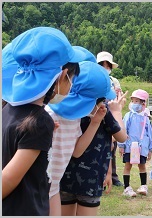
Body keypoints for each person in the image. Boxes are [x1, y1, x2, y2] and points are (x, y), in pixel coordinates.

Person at [2, 26, 85, 216]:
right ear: (62, 75)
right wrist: (42, 129)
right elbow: (8, 179)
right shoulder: (39, 121)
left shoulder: (8, 109)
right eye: (71, 79)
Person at [46, 60, 116, 216]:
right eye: (98, 100)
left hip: (54, 188)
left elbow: (76, 151)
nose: (99, 104)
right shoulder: (49, 115)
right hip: (38, 189)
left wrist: (95, 122)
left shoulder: (75, 117)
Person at [59, 93, 128, 216]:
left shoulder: (67, 105)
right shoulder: (101, 109)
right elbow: (122, 137)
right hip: (91, 179)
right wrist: (117, 111)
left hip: (64, 174)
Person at [118, 89, 152, 197]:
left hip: (142, 147)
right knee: (127, 165)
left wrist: (150, 149)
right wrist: (121, 145)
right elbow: (123, 130)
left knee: (142, 165)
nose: (134, 104)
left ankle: (143, 186)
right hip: (130, 146)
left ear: (143, 103)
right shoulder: (129, 116)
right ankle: (127, 187)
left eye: (137, 101)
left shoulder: (146, 118)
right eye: (133, 101)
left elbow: (149, 134)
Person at [97, 51, 125, 187]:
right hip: (96, 112)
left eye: (107, 65)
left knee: (112, 146)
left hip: (111, 113)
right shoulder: (93, 78)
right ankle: (100, 177)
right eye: (102, 64)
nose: (105, 67)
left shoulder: (114, 81)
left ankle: (113, 176)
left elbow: (119, 97)